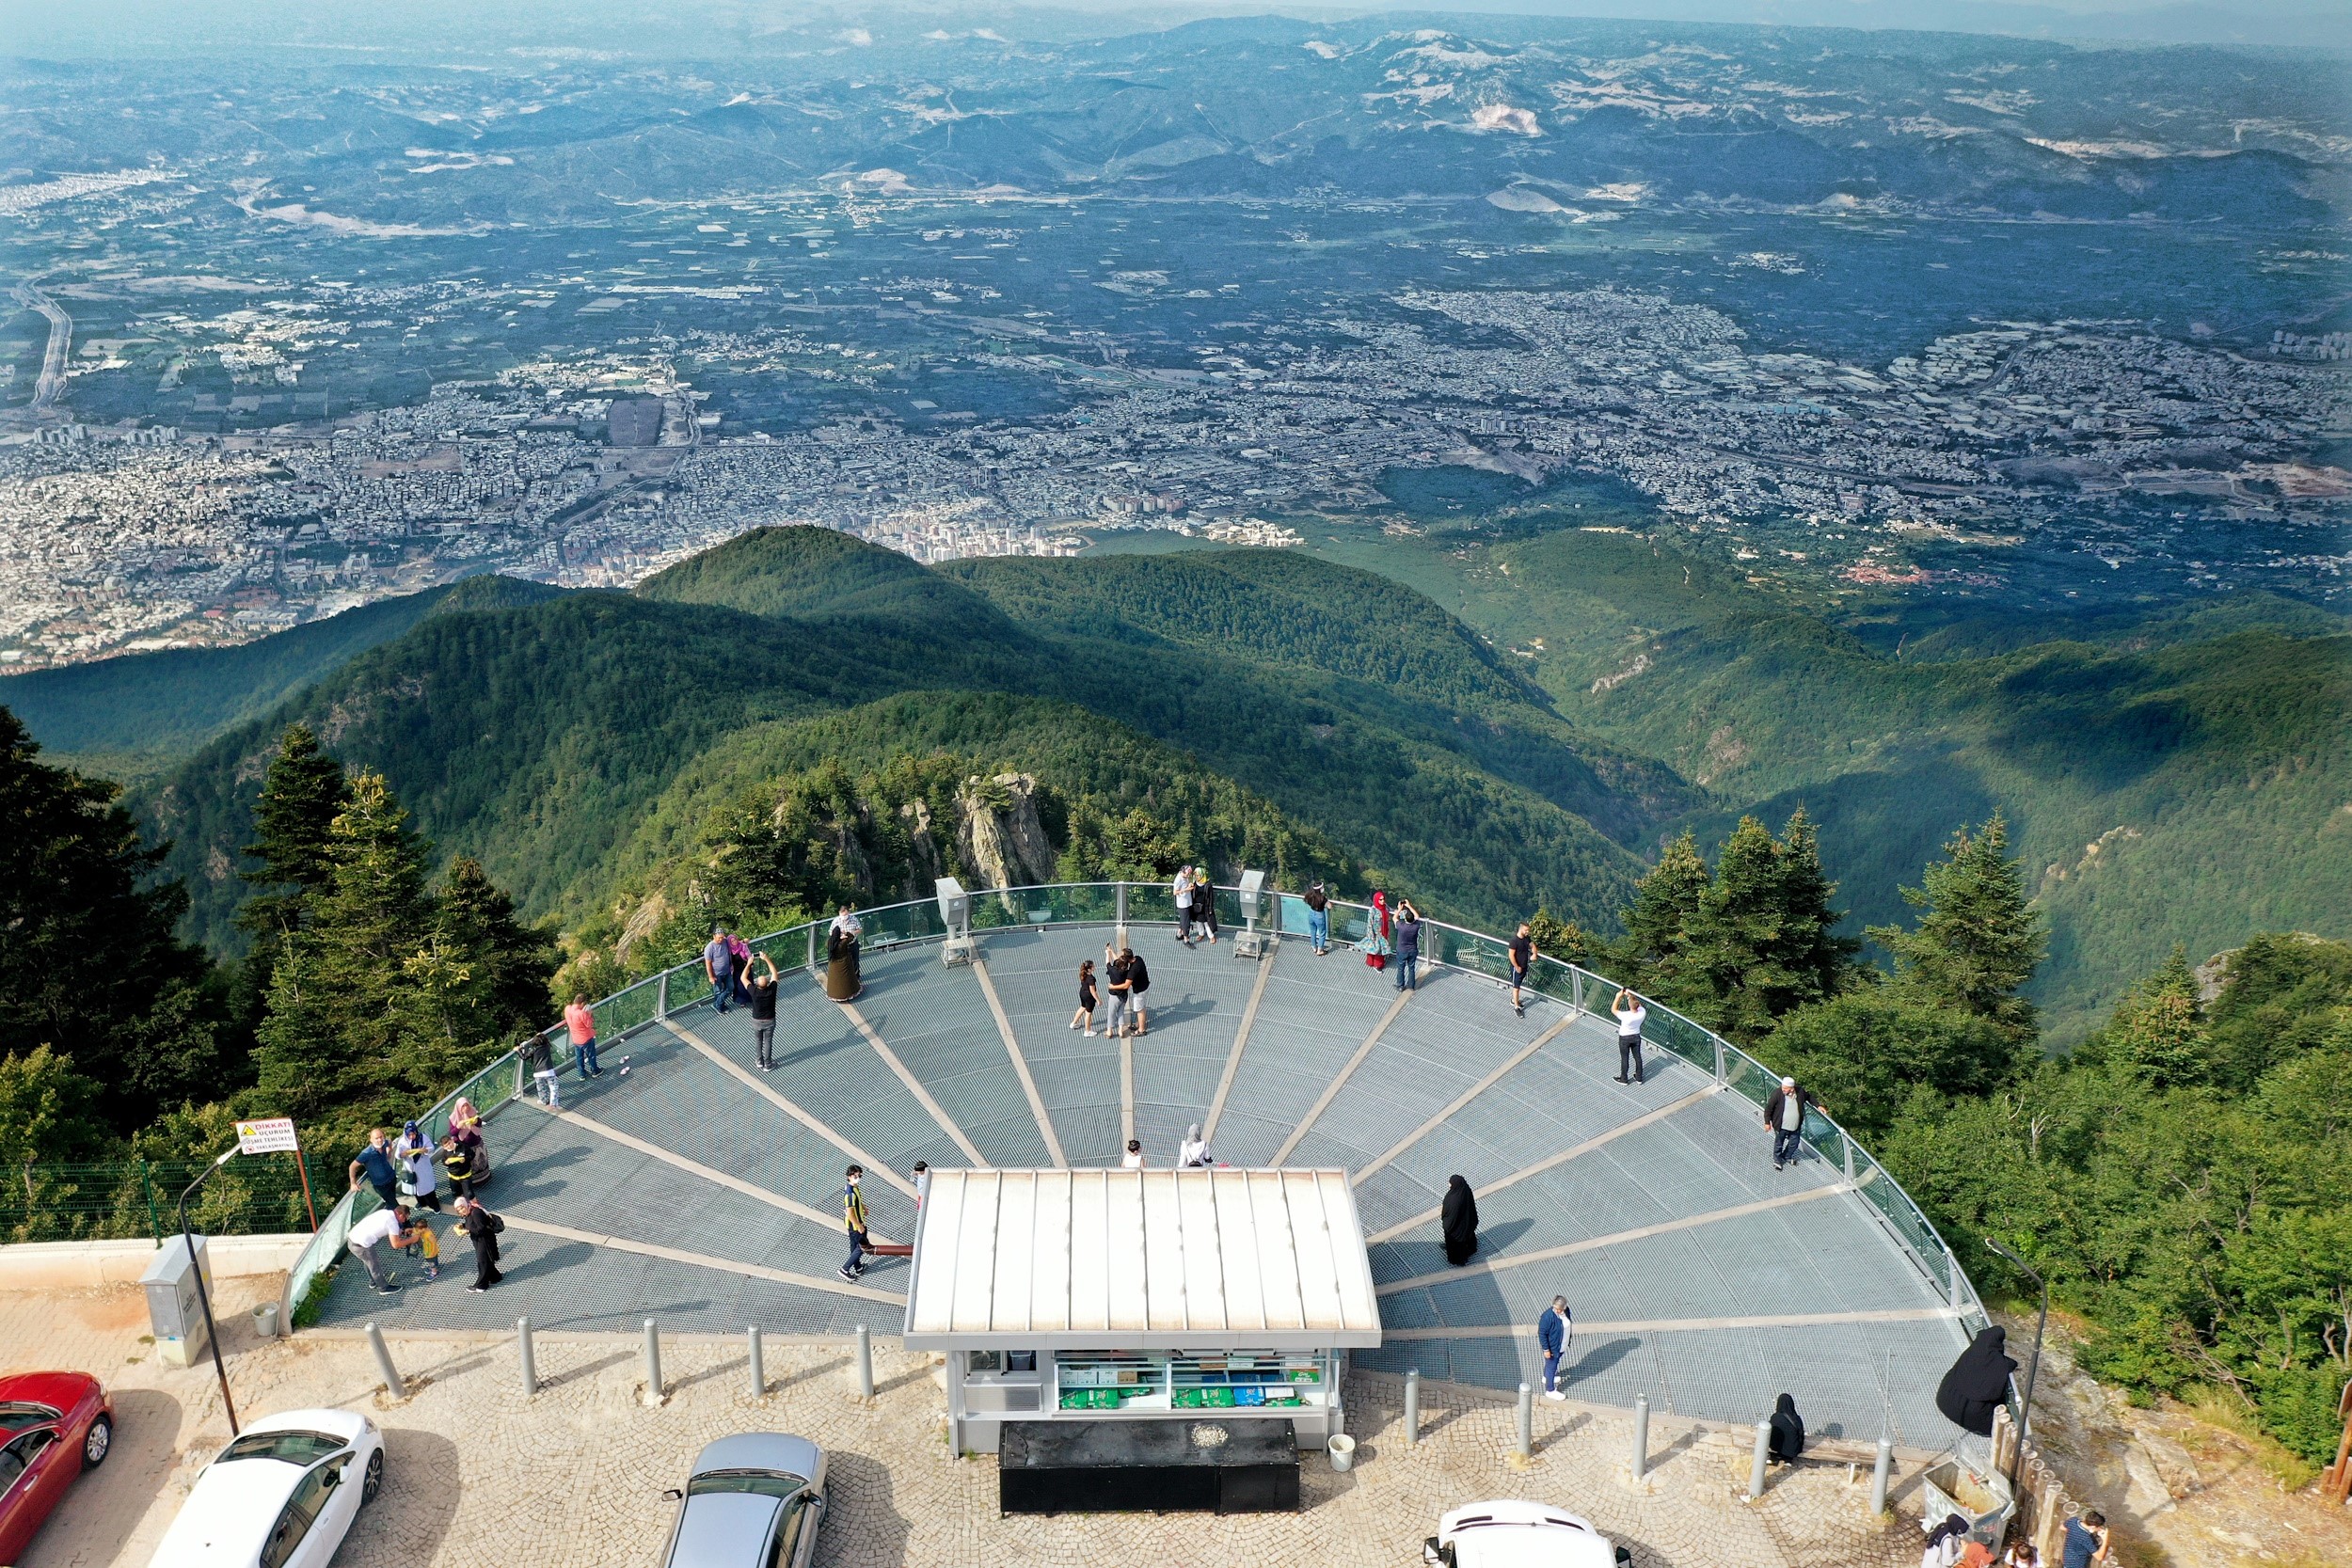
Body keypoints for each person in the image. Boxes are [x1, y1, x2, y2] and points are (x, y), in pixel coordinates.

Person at [1935, 1325, 2021, 1437]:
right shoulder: (2000, 1363)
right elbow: (2011, 1365)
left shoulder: (1971, 1353)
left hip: (1946, 1401)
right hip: (1975, 1415)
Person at [344, 1203, 416, 1293]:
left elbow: (384, 1228)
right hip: (362, 1246)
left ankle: (373, 1282)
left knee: (367, 1262)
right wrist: (412, 1239)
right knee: (374, 1265)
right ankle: (384, 1288)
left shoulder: (386, 1212)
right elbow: (396, 1245)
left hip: (352, 1240)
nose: (404, 1221)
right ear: (401, 1215)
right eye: (405, 1218)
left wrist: (399, 1232)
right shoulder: (393, 1223)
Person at [1763, 1075, 1819, 1170]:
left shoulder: (1800, 1092)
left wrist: (1818, 1105)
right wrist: (1767, 1122)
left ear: (1792, 1088)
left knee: (1794, 1143)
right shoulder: (1777, 1094)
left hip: (1795, 1126)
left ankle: (1786, 1156)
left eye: (1785, 1088)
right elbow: (1769, 1109)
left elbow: (1809, 1097)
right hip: (1781, 1126)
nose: (1783, 1089)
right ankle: (1777, 1160)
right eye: (1783, 1087)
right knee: (1779, 1143)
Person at [453, 1194, 504, 1292]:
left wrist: (467, 1231)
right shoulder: (470, 1211)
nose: (461, 1211)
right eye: (458, 1210)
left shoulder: (476, 1212)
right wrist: (463, 1225)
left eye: (461, 1208)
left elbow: (481, 1228)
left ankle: (481, 1285)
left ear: (466, 1205)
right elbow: (473, 1224)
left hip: (484, 1241)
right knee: (487, 1261)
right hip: (480, 1240)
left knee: (482, 1262)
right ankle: (495, 1277)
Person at [392, 1121, 439, 1214]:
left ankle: (434, 1205)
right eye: (409, 1135)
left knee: (428, 1189)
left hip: (423, 1167)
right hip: (410, 1168)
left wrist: (424, 1150)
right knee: (415, 1188)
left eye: (413, 1134)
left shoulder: (423, 1138)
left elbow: (431, 1148)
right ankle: (421, 1202)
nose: (412, 1136)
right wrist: (404, 1153)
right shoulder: (402, 1141)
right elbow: (397, 1155)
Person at [349, 1129, 400, 1213]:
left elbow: (389, 1142)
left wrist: (389, 1152)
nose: (379, 1140)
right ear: (371, 1140)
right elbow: (352, 1166)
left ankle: (390, 1216)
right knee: (396, 1206)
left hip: (391, 1178)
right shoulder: (366, 1153)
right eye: (376, 1138)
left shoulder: (384, 1143)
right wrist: (353, 1183)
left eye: (381, 1137)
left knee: (391, 1202)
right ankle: (405, 1224)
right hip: (381, 1185)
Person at [747, 951, 781, 1069]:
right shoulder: (772, 989)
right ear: (767, 983)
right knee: (768, 1042)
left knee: (758, 1041)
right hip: (770, 1020)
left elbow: (742, 978)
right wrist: (766, 958)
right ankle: (768, 1064)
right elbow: (774, 973)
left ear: (756, 984)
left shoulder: (754, 991)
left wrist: (749, 964)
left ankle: (759, 1061)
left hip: (756, 1021)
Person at [839, 1164, 871, 1281]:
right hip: (855, 1225)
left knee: (854, 1247)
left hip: (853, 1224)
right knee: (862, 1247)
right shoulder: (850, 1193)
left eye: (859, 1175)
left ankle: (858, 1268)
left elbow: (858, 1200)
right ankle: (844, 1269)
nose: (857, 1177)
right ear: (849, 1176)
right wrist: (859, 1226)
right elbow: (850, 1213)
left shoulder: (853, 1187)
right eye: (855, 1175)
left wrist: (863, 1207)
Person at [1536, 1296, 1571, 1401]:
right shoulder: (1547, 1317)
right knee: (1552, 1366)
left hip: (1561, 1345)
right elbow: (1542, 1334)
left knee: (1551, 1365)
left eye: (1560, 1309)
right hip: (1553, 1347)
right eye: (1556, 1308)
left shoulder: (1566, 1311)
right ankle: (1550, 1390)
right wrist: (1546, 1349)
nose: (1558, 1311)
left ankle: (1546, 1378)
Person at [1611, 989, 1647, 1085]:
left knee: (1625, 1058)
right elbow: (1639, 1006)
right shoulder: (1642, 1012)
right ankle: (1639, 1077)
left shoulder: (1625, 1015)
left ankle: (1624, 1079)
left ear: (1629, 1006)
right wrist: (1630, 996)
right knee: (1637, 1057)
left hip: (1624, 1038)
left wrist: (1618, 996)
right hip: (1636, 1037)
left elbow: (1613, 1009)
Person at [1441, 1174, 1479, 1266]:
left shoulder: (1454, 1198)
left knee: (1456, 1243)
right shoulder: (1465, 1190)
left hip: (1456, 1227)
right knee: (1467, 1236)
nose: (1449, 1185)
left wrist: (1446, 1226)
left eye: (1450, 1183)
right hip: (1467, 1222)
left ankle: (1458, 1260)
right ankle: (1470, 1249)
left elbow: (1450, 1216)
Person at [825, 910, 862, 1002]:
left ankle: (835, 994)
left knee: (836, 980)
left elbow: (832, 940)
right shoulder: (842, 943)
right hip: (844, 963)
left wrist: (838, 937)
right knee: (847, 978)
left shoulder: (829, 943)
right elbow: (851, 937)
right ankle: (849, 992)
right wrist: (845, 934)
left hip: (834, 965)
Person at [565, 992, 602, 1080]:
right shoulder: (581, 1014)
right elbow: (589, 1024)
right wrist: (589, 1014)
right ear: (582, 1003)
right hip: (586, 1038)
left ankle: (582, 1074)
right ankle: (595, 1071)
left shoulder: (567, 1009)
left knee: (579, 1057)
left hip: (575, 1039)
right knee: (591, 1056)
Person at [704, 925, 736, 1013]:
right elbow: (708, 963)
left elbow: (735, 943)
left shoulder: (725, 941)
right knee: (718, 991)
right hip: (716, 973)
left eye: (722, 937)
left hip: (727, 971)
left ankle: (717, 1004)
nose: (720, 939)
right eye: (719, 938)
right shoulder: (709, 947)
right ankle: (720, 1006)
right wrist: (711, 976)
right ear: (714, 936)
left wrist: (744, 941)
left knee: (730, 987)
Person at [521, 1031, 559, 1107]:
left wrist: (517, 1050)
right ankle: (553, 1103)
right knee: (554, 1087)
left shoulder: (534, 1050)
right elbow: (546, 1040)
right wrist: (540, 1035)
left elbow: (524, 1057)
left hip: (538, 1073)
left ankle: (543, 1101)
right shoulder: (547, 1047)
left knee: (541, 1088)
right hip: (548, 1071)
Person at [1103, 944, 1133, 1038]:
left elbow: (1107, 963)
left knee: (1111, 1013)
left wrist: (1108, 953)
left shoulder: (1113, 970)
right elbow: (1117, 960)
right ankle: (1120, 1031)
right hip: (1123, 996)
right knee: (1121, 1012)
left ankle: (1109, 1031)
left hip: (1114, 996)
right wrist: (1111, 951)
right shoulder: (1127, 972)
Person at [1393, 899, 1422, 991]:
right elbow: (1417, 916)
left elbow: (1394, 918)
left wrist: (1399, 909)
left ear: (1405, 919)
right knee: (1411, 968)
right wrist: (1409, 906)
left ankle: (1400, 986)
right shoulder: (1416, 926)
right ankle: (1411, 986)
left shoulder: (1401, 926)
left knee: (1401, 968)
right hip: (1413, 950)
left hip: (1402, 950)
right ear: (1413, 919)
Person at [1768, 1392, 1806, 1462]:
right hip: (1793, 1450)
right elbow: (1801, 1434)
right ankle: (1788, 1460)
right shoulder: (1796, 1418)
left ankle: (1774, 1458)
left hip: (1776, 1448)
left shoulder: (1775, 1417)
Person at [1507, 923, 1535, 1017]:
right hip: (1517, 967)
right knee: (1516, 987)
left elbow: (1533, 946)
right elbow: (1511, 955)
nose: (1528, 932)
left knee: (1517, 986)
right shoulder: (1514, 941)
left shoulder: (1527, 938)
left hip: (1524, 966)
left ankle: (1514, 1000)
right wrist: (1517, 967)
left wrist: (1534, 954)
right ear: (1521, 929)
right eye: (1526, 930)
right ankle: (1516, 1007)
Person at [1123, 945, 1151, 1035]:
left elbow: (1126, 985)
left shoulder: (1132, 970)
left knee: (1140, 1009)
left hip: (1139, 991)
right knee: (1142, 1007)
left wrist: (1112, 987)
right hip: (1145, 986)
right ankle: (1139, 1024)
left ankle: (1141, 1030)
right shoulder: (1138, 958)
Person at [1363, 890, 1391, 972]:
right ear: (1376, 900)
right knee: (1377, 948)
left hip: (1383, 931)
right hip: (1376, 933)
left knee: (1378, 948)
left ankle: (1373, 963)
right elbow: (1369, 923)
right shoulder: (1373, 910)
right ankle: (1377, 965)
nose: (1383, 901)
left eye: (1383, 899)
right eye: (1380, 900)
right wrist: (1371, 935)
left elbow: (1392, 911)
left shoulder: (1385, 907)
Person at [1072, 958, 1099, 1035]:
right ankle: (1087, 1031)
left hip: (1082, 993)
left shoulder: (1083, 974)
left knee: (1083, 1007)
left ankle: (1073, 1023)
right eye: (1093, 966)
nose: (1094, 967)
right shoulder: (1091, 978)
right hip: (1089, 997)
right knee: (1088, 1013)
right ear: (1090, 969)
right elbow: (1092, 991)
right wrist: (1098, 1000)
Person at [1304, 881, 1330, 957]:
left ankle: (1314, 947)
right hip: (1319, 915)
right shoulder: (1322, 898)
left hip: (1311, 913)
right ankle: (1320, 950)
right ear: (1320, 889)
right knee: (1322, 933)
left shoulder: (1310, 895)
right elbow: (1329, 906)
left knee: (1313, 931)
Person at [1193, 869, 1218, 943]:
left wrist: (1210, 908)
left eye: (1198, 875)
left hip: (1205, 907)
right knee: (1198, 921)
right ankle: (1201, 933)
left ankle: (1211, 936)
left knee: (1207, 922)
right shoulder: (1195, 883)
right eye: (1196, 875)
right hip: (1196, 906)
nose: (1197, 877)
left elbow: (1211, 897)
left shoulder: (1207, 884)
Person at [1173, 866, 1195, 945]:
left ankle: (1179, 934)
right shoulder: (1178, 880)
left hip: (1187, 901)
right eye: (1187, 874)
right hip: (1183, 904)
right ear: (1183, 872)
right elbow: (1175, 892)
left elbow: (1186, 884)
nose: (1188, 876)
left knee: (1183, 920)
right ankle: (1186, 939)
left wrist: (1189, 884)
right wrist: (1186, 890)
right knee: (1186, 922)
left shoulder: (1185, 877)